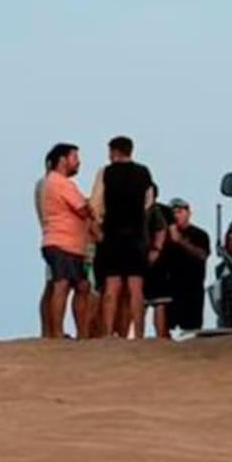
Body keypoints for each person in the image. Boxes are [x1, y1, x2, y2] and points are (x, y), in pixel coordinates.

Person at [90, 136, 156, 338]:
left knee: (112, 285)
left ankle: (109, 332)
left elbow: (96, 203)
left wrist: (99, 225)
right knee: (136, 287)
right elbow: (149, 200)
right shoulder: (144, 172)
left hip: (113, 233)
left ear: (114, 152)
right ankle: (138, 333)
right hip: (136, 234)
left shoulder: (106, 172)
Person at [39, 143, 93, 339]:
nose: (78, 163)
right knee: (62, 284)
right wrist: (91, 206)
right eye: (75, 158)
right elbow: (82, 209)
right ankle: (57, 332)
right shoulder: (61, 183)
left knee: (81, 286)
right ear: (63, 160)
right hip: (62, 242)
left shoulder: (51, 182)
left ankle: (81, 332)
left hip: (69, 244)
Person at [164, 197, 211, 333]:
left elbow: (202, 255)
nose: (176, 216)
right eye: (172, 213)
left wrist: (180, 241)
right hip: (170, 288)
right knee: (165, 329)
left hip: (192, 289)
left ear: (188, 212)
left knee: (192, 329)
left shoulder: (200, 234)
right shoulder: (163, 235)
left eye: (179, 212)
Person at [142, 183, 172, 338]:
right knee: (146, 301)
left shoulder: (161, 211)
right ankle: (140, 336)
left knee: (158, 302)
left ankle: (158, 336)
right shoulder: (164, 211)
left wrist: (156, 250)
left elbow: (169, 233)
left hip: (158, 260)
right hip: (147, 259)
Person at [34, 151, 54, 338]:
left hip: (52, 238)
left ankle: (49, 330)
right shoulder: (46, 184)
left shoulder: (46, 184)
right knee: (53, 285)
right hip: (55, 239)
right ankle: (49, 331)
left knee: (52, 284)